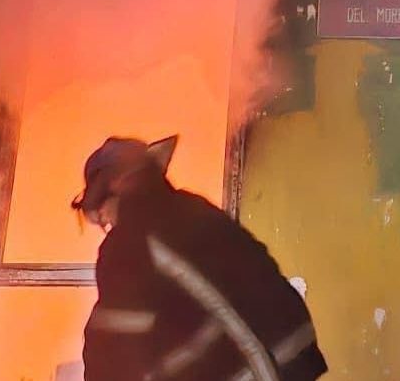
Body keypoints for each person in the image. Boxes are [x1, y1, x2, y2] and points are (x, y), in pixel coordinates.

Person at [71, 136, 328, 381]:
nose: (107, 223)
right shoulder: (192, 208)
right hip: (292, 358)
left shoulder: (129, 241)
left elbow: (112, 347)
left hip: (253, 368)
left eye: (102, 214)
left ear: (116, 184)